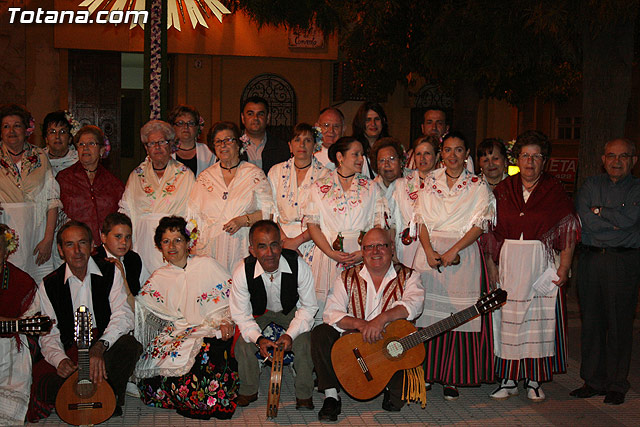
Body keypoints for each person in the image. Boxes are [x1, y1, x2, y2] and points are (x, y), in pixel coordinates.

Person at [487, 130, 580, 402]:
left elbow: (568, 228)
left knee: (537, 322)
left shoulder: (554, 189)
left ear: (544, 161)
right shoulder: (503, 189)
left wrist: (564, 267)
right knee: (508, 320)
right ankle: (508, 379)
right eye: (525, 156)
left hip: (541, 264)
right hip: (509, 264)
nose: (530, 162)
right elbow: (490, 231)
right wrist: (492, 267)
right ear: (517, 159)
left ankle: (534, 379)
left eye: (536, 156)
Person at [28, 221, 141, 421]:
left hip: (102, 345)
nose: (77, 251)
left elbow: (123, 316)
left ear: (91, 246)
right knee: (42, 380)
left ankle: (110, 395)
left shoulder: (110, 271)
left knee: (129, 346)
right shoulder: (49, 285)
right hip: (71, 349)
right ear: (61, 250)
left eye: (82, 243)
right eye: (69, 244)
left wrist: (99, 348)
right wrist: (60, 360)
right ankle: (86, 391)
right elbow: (49, 334)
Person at [311, 228, 424, 420]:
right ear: (362, 251)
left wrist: (381, 319)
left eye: (381, 245)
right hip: (356, 348)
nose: (375, 251)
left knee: (395, 403)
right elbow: (331, 312)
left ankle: (389, 388)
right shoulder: (346, 277)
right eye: (369, 246)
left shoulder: (410, 276)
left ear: (392, 248)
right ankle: (331, 396)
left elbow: (414, 305)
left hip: (391, 350)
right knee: (321, 333)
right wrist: (361, 325)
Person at [415, 131, 495, 400]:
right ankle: (426, 372)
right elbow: (421, 220)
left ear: (467, 154)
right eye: (447, 150)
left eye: (458, 150)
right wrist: (428, 250)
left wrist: (454, 250)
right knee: (426, 316)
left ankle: (453, 376)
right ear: (441, 154)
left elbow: (480, 223)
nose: (452, 155)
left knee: (457, 317)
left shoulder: (477, 184)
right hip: (430, 252)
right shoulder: (430, 181)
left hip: (463, 253)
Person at [136, 216, 238, 420]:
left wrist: (227, 320)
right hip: (177, 331)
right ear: (160, 247)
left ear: (187, 243)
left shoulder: (206, 264)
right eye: (166, 241)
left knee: (208, 355)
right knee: (156, 369)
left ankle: (201, 400)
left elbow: (233, 297)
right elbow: (142, 308)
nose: (172, 246)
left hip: (210, 326)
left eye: (178, 240)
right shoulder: (159, 277)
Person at [571, 138, 640, 405]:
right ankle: (592, 380)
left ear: (633, 160)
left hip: (623, 261)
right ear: (603, 159)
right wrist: (612, 222)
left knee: (619, 324)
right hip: (590, 261)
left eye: (623, 156)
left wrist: (600, 212)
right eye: (611, 155)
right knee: (591, 323)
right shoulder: (591, 185)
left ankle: (616, 384)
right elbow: (584, 219)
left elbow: (631, 219)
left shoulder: (636, 188)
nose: (616, 161)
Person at [230, 220, 318, 409]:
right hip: (259, 311)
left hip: (290, 310)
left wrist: (290, 334)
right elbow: (241, 315)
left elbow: (309, 307)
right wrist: (258, 338)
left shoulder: (299, 266)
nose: (269, 253)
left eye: (274, 245)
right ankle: (249, 389)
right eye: (262, 246)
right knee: (243, 344)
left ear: (281, 245)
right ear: (252, 250)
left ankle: (304, 393)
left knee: (305, 343)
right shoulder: (242, 272)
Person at [305, 137, 388, 321]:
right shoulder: (318, 187)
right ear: (340, 157)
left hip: (362, 254)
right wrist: (330, 252)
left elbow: (379, 225)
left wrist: (364, 252)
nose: (361, 159)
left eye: (362, 154)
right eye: (355, 154)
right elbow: (313, 225)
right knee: (329, 312)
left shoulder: (371, 187)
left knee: (360, 307)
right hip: (329, 254)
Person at [189, 121, 273, 273]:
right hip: (210, 250)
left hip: (242, 247)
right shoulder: (205, 178)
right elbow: (193, 216)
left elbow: (269, 212)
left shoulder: (254, 174)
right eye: (218, 141)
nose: (223, 145)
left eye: (228, 140)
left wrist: (243, 220)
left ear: (238, 144)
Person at [119, 120, 195, 278]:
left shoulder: (185, 174)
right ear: (146, 148)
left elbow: (193, 212)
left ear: (170, 144)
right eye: (152, 143)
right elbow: (126, 211)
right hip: (143, 243)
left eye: (162, 142)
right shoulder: (136, 175)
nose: (157, 147)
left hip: (173, 243)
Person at [0, 103, 61, 283]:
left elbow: (52, 200)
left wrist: (48, 238)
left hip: (36, 232)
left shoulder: (40, 156)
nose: (11, 131)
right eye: (6, 126)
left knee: (39, 285)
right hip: (6, 231)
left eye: (17, 125)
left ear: (26, 130)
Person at [0, 225, 44, 426]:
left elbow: (31, 318)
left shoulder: (21, 281)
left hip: (10, 346)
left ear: (6, 251)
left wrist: (13, 324)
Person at [267, 123, 327, 262]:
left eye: (307, 140)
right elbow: (270, 211)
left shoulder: (326, 176)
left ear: (315, 146)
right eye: (297, 140)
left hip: (313, 240)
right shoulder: (276, 172)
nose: (302, 145)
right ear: (290, 145)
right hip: (280, 240)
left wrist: (296, 242)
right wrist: (284, 241)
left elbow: (325, 217)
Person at [56, 125, 124, 245]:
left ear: (101, 150)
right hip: (74, 245)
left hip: (105, 246)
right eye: (81, 144)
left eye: (91, 144)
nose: (85, 148)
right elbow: (55, 213)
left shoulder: (113, 183)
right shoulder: (64, 178)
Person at [390, 135, 440, 267]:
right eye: (418, 154)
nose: (422, 158)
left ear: (437, 156)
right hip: (408, 247)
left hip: (435, 245)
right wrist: (392, 251)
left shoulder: (444, 185)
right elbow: (393, 222)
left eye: (427, 153)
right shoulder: (401, 184)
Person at [96, 212, 145, 311]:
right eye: (118, 236)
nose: (124, 242)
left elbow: (135, 294)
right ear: (104, 237)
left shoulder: (133, 259)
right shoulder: (95, 261)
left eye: (128, 237)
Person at [240, 96, 289, 175]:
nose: (255, 118)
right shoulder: (233, 146)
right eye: (250, 114)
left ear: (268, 118)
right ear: (243, 118)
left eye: (260, 114)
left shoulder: (281, 148)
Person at [168, 104, 216, 177]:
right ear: (173, 127)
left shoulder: (208, 152)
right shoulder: (166, 151)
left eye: (191, 123)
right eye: (180, 123)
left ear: (197, 127)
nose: (186, 127)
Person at [42, 110, 79, 176]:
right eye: (52, 132)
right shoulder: (39, 160)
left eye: (62, 132)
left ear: (70, 138)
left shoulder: (78, 161)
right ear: (46, 138)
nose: (57, 136)